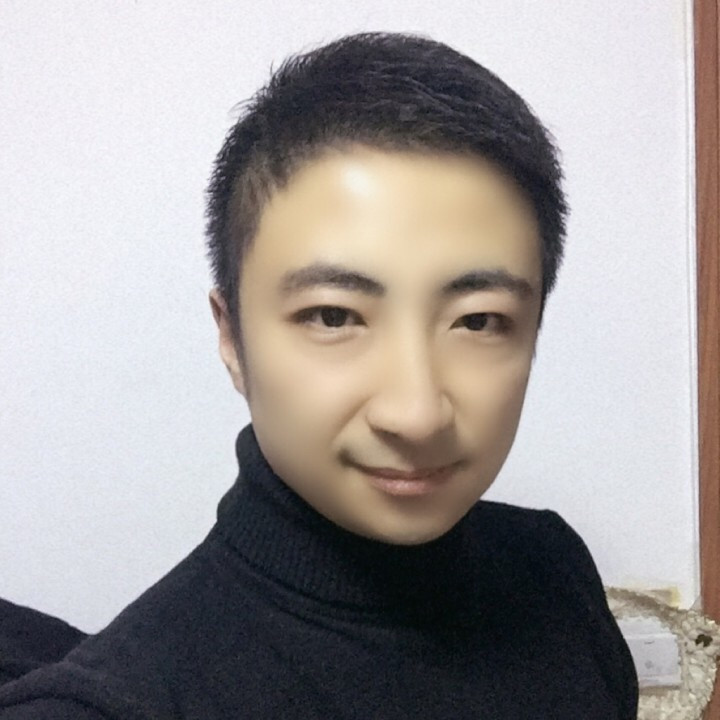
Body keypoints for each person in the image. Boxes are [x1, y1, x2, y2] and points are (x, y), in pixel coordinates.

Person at [0, 31, 638, 719]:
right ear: (232, 338)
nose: (416, 412)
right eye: (334, 316)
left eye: (478, 321)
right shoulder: (112, 705)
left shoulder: (552, 571)